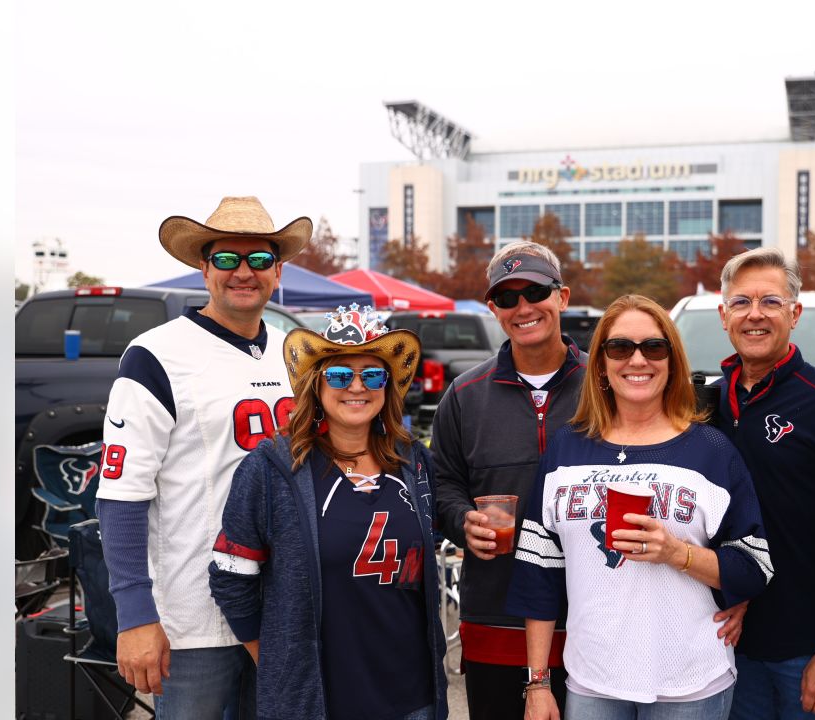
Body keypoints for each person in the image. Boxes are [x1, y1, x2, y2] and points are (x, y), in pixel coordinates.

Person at [506, 294, 775, 720]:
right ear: (600, 364)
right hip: (593, 681)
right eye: (619, 348)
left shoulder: (711, 450)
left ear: (672, 360)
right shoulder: (566, 449)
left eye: (653, 347)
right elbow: (537, 573)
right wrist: (537, 682)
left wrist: (677, 554)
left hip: (691, 682)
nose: (637, 360)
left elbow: (755, 567)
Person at [95, 196, 311, 718]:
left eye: (259, 259)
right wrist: (134, 614)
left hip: (280, 609)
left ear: (278, 270)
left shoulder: (296, 352)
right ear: (203, 265)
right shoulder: (155, 354)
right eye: (227, 258)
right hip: (190, 615)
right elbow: (121, 494)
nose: (244, 272)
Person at [208, 307, 449, 720]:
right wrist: (277, 661)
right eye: (339, 375)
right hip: (318, 700)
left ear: (388, 387)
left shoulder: (414, 461)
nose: (357, 386)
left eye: (372, 375)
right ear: (316, 386)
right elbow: (231, 576)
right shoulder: (273, 468)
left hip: (412, 696)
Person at [432, 241, 585, 720]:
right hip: (495, 617)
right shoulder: (465, 394)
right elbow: (442, 483)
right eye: (507, 297)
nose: (523, 307)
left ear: (562, 297)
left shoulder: (605, 385)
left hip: (593, 619)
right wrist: (462, 520)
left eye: (535, 291)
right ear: (492, 308)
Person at [709, 248, 815, 720]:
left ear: (795, 314)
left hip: (803, 649)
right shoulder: (699, 407)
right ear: (723, 315)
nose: (755, 315)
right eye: (741, 303)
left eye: (771, 302)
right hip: (718, 641)